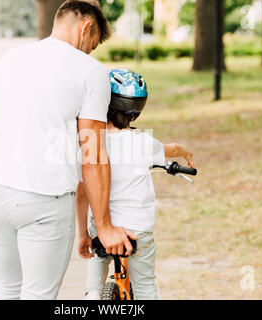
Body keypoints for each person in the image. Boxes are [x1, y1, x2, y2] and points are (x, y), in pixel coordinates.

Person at [0, 1, 135, 300]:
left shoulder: (10, 59)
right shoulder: (90, 71)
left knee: (6, 291)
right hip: (44, 199)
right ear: (86, 26)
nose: (90, 51)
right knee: (38, 295)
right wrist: (105, 226)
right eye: (93, 43)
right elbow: (93, 154)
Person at [76, 68, 195, 300]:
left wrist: (83, 234)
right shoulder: (143, 143)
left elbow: (82, 194)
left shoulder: (89, 144)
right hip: (138, 229)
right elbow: (170, 150)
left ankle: (92, 293)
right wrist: (183, 150)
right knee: (146, 287)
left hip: (101, 229)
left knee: (100, 256)